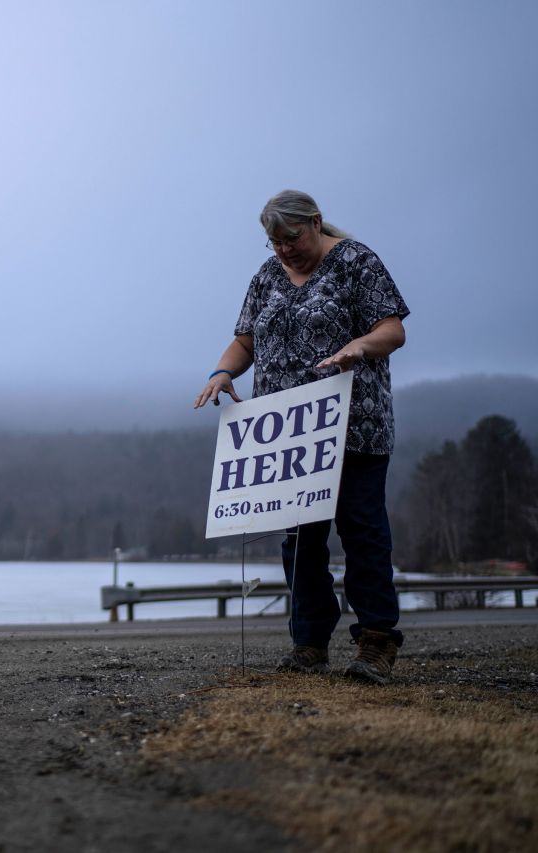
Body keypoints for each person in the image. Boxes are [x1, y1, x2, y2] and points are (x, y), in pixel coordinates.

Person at [194, 189, 410, 684]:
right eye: (274, 243)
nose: (284, 250)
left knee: (362, 533)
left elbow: (392, 331)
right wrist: (223, 372)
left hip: (354, 426)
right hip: (288, 437)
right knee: (299, 542)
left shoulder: (357, 262)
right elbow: (246, 339)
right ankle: (308, 643)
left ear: (315, 223)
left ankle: (376, 642)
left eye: (290, 238)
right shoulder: (267, 276)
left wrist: (358, 346)